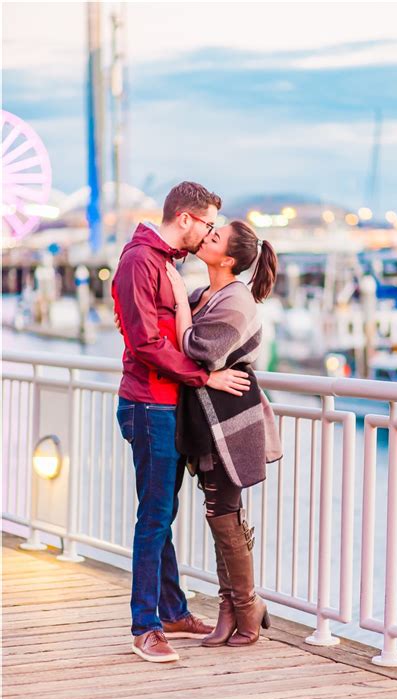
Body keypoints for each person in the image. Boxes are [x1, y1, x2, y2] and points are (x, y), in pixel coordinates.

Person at [112, 182, 251, 663]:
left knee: (161, 515)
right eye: (208, 223)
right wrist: (205, 376)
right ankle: (144, 626)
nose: (210, 232)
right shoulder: (140, 262)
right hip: (148, 404)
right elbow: (147, 343)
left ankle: (171, 610)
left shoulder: (165, 264)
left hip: (166, 405)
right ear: (186, 219)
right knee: (153, 518)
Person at [165, 219, 282, 648]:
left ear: (229, 259)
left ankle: (245, 605)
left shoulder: (236, 302)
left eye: (214, 238)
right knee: (220, 510)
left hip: (231, 420)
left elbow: (198, 349)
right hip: (207, 417)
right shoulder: (205, 295)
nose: (206, 237)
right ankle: (233, 608)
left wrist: (178, 303)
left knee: (223, 512)